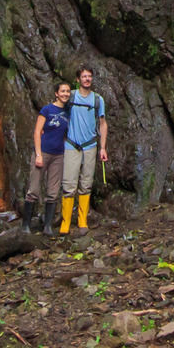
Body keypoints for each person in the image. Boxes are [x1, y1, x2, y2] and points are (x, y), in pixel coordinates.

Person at [60, 65, 109, 235]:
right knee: (69, 184)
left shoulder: (98, 100)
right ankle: (65, 223)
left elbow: (103, 124)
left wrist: (103, 148)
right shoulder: (70, 96)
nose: (87, 79)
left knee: (86, 184)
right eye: (84, 76)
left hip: (90, 145)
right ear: (78, 79)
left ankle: (82, 221)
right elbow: (57, 112)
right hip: (71, 145)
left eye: (89, 76)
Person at [24, 83, 73, 233]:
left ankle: (47, 226)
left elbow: (65, 134)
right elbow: (37, 131)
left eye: (68, 91)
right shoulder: (47, 110)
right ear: (56, 93)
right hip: (43, 152)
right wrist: (38, 154)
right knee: (34, 189)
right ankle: (25, 225)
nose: (65, 94)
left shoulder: (68, 112)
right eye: (62, 91)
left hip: (58, 155)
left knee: (53, 191)